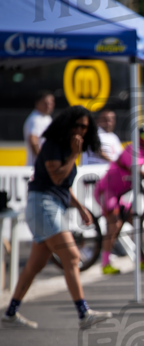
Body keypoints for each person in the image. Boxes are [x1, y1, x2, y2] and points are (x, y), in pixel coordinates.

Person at [2, 106, 113, 330]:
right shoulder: (55, 146)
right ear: (67, 125)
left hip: (51, 205)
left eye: (85, 127)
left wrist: (81, 207)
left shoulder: (68, 148)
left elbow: (63, 187)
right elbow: (56, 176)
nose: (81, 131)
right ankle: (83, 314)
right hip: (43, 204)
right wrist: (74, 154)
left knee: (35, 264)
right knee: (72, 256)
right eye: (78, 125)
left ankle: (11, 312)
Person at [94, 123, 144, 275]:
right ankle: (105, 263)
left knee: (136, 221)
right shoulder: (132, 150)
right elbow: (142, 172)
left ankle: (141, 259)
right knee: (114, 224)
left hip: (119, 194)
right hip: (107, 191)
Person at [23, 90, 54, 166]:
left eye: (51, 103)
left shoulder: (46, 117)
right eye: (46, 103)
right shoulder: (36, 120)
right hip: (37, 168)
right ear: (37, 103)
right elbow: (33, 140)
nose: (49, 106)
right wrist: (42, 160)